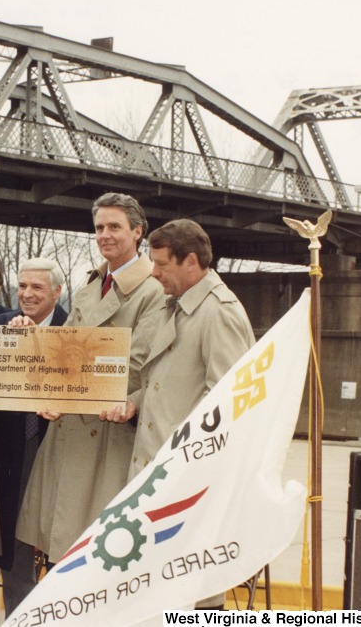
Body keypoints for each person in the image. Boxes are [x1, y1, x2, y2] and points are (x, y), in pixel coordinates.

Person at [15, 192, 165, 565]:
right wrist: (27, 334)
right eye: (99, 227)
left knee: (96, 555)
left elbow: (137, 364)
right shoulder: (89, 286)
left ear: (137, 232)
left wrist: (70, 388)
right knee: (59, 553)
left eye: (114, 226)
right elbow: (62, 349)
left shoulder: (152, 290)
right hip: (71, 432)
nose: (105, 235)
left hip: (108, 435)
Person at [126, 218, 255, 609]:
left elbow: (229, 403)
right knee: (161, 590)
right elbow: (167, 383)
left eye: (162, 264)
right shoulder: (178, 306)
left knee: (193, 591)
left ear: (191, 261)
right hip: (160, 476)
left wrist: (187, 467)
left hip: (186, 480)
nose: (154, 272)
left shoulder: (219, 312)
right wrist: (134, 399)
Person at [0, 258, 69, 615]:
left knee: (60, 548)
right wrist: (13, 344)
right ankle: (19, 619)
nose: (27, 294)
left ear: (57, 291)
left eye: (37, 287)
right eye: (22, 286)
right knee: (15, 551)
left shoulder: (76, 329)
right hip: (12, 455)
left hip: (59, 453)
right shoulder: (0, 326)